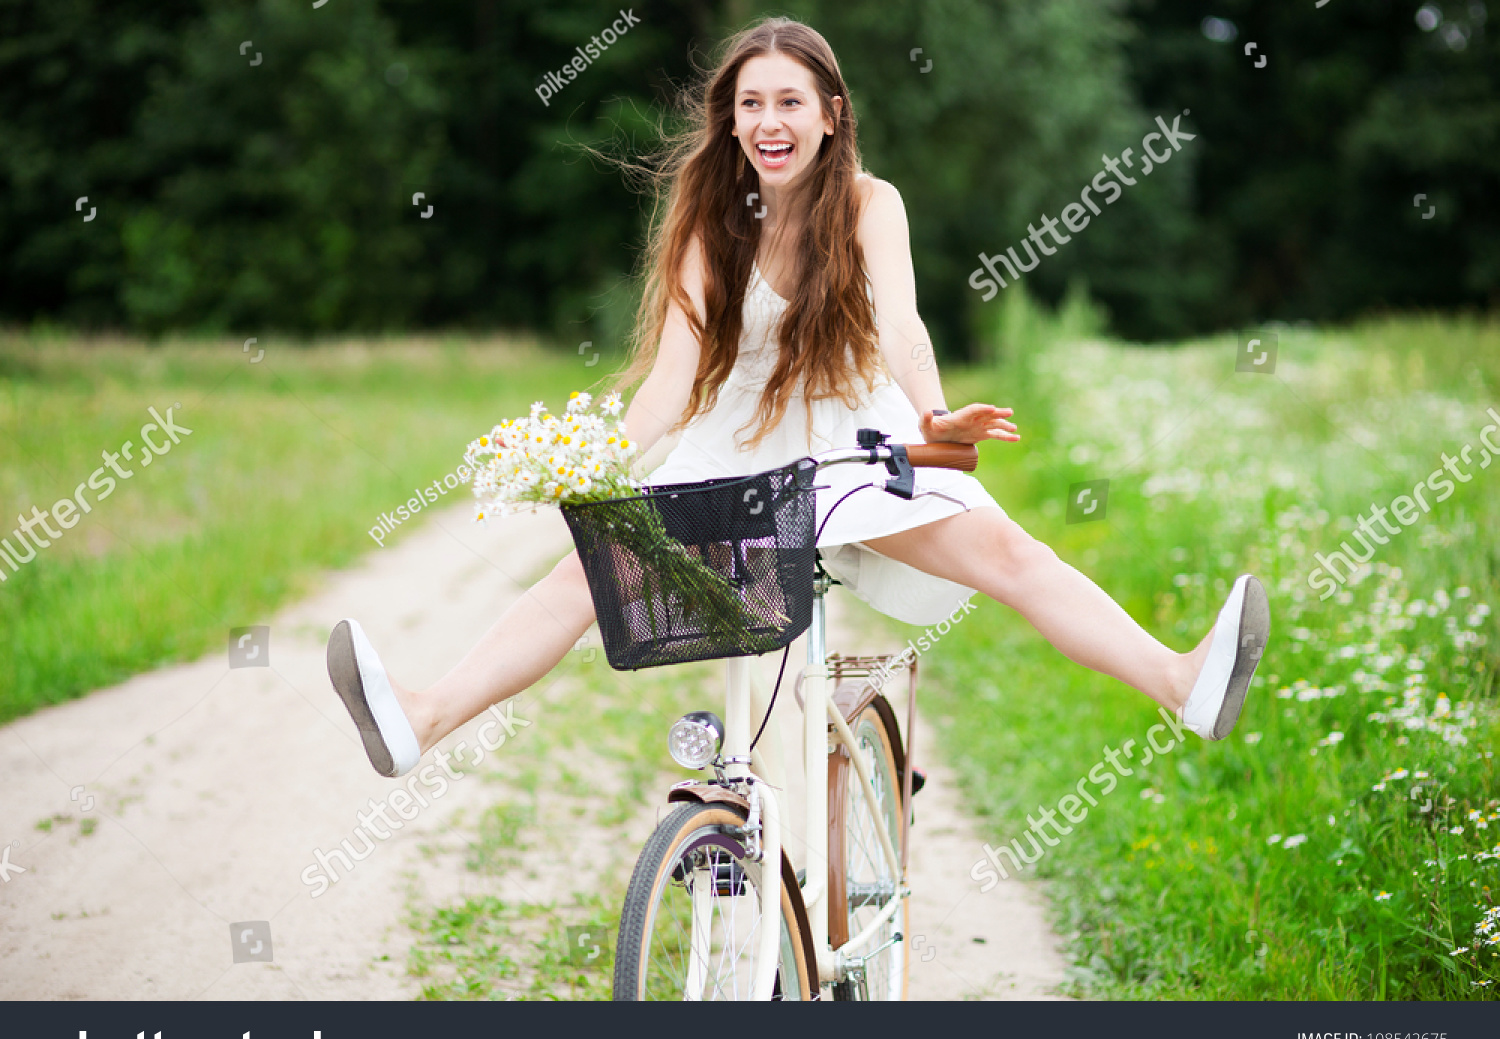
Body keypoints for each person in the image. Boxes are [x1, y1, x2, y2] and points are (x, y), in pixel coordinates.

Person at [327, 17, 1269, 780]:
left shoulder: (869, 204)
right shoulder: (708, 224)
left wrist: (934, 416)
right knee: (585, 571)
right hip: (735, 457)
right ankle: (421, 718)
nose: (769, 119)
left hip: (859, 447)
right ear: (730, 122)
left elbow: (901, 325)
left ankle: (1182, 683)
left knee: (1013, 554)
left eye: (788, 100)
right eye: (750, 103)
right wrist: (593, 463)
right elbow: (670, 379)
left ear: (829, 113)